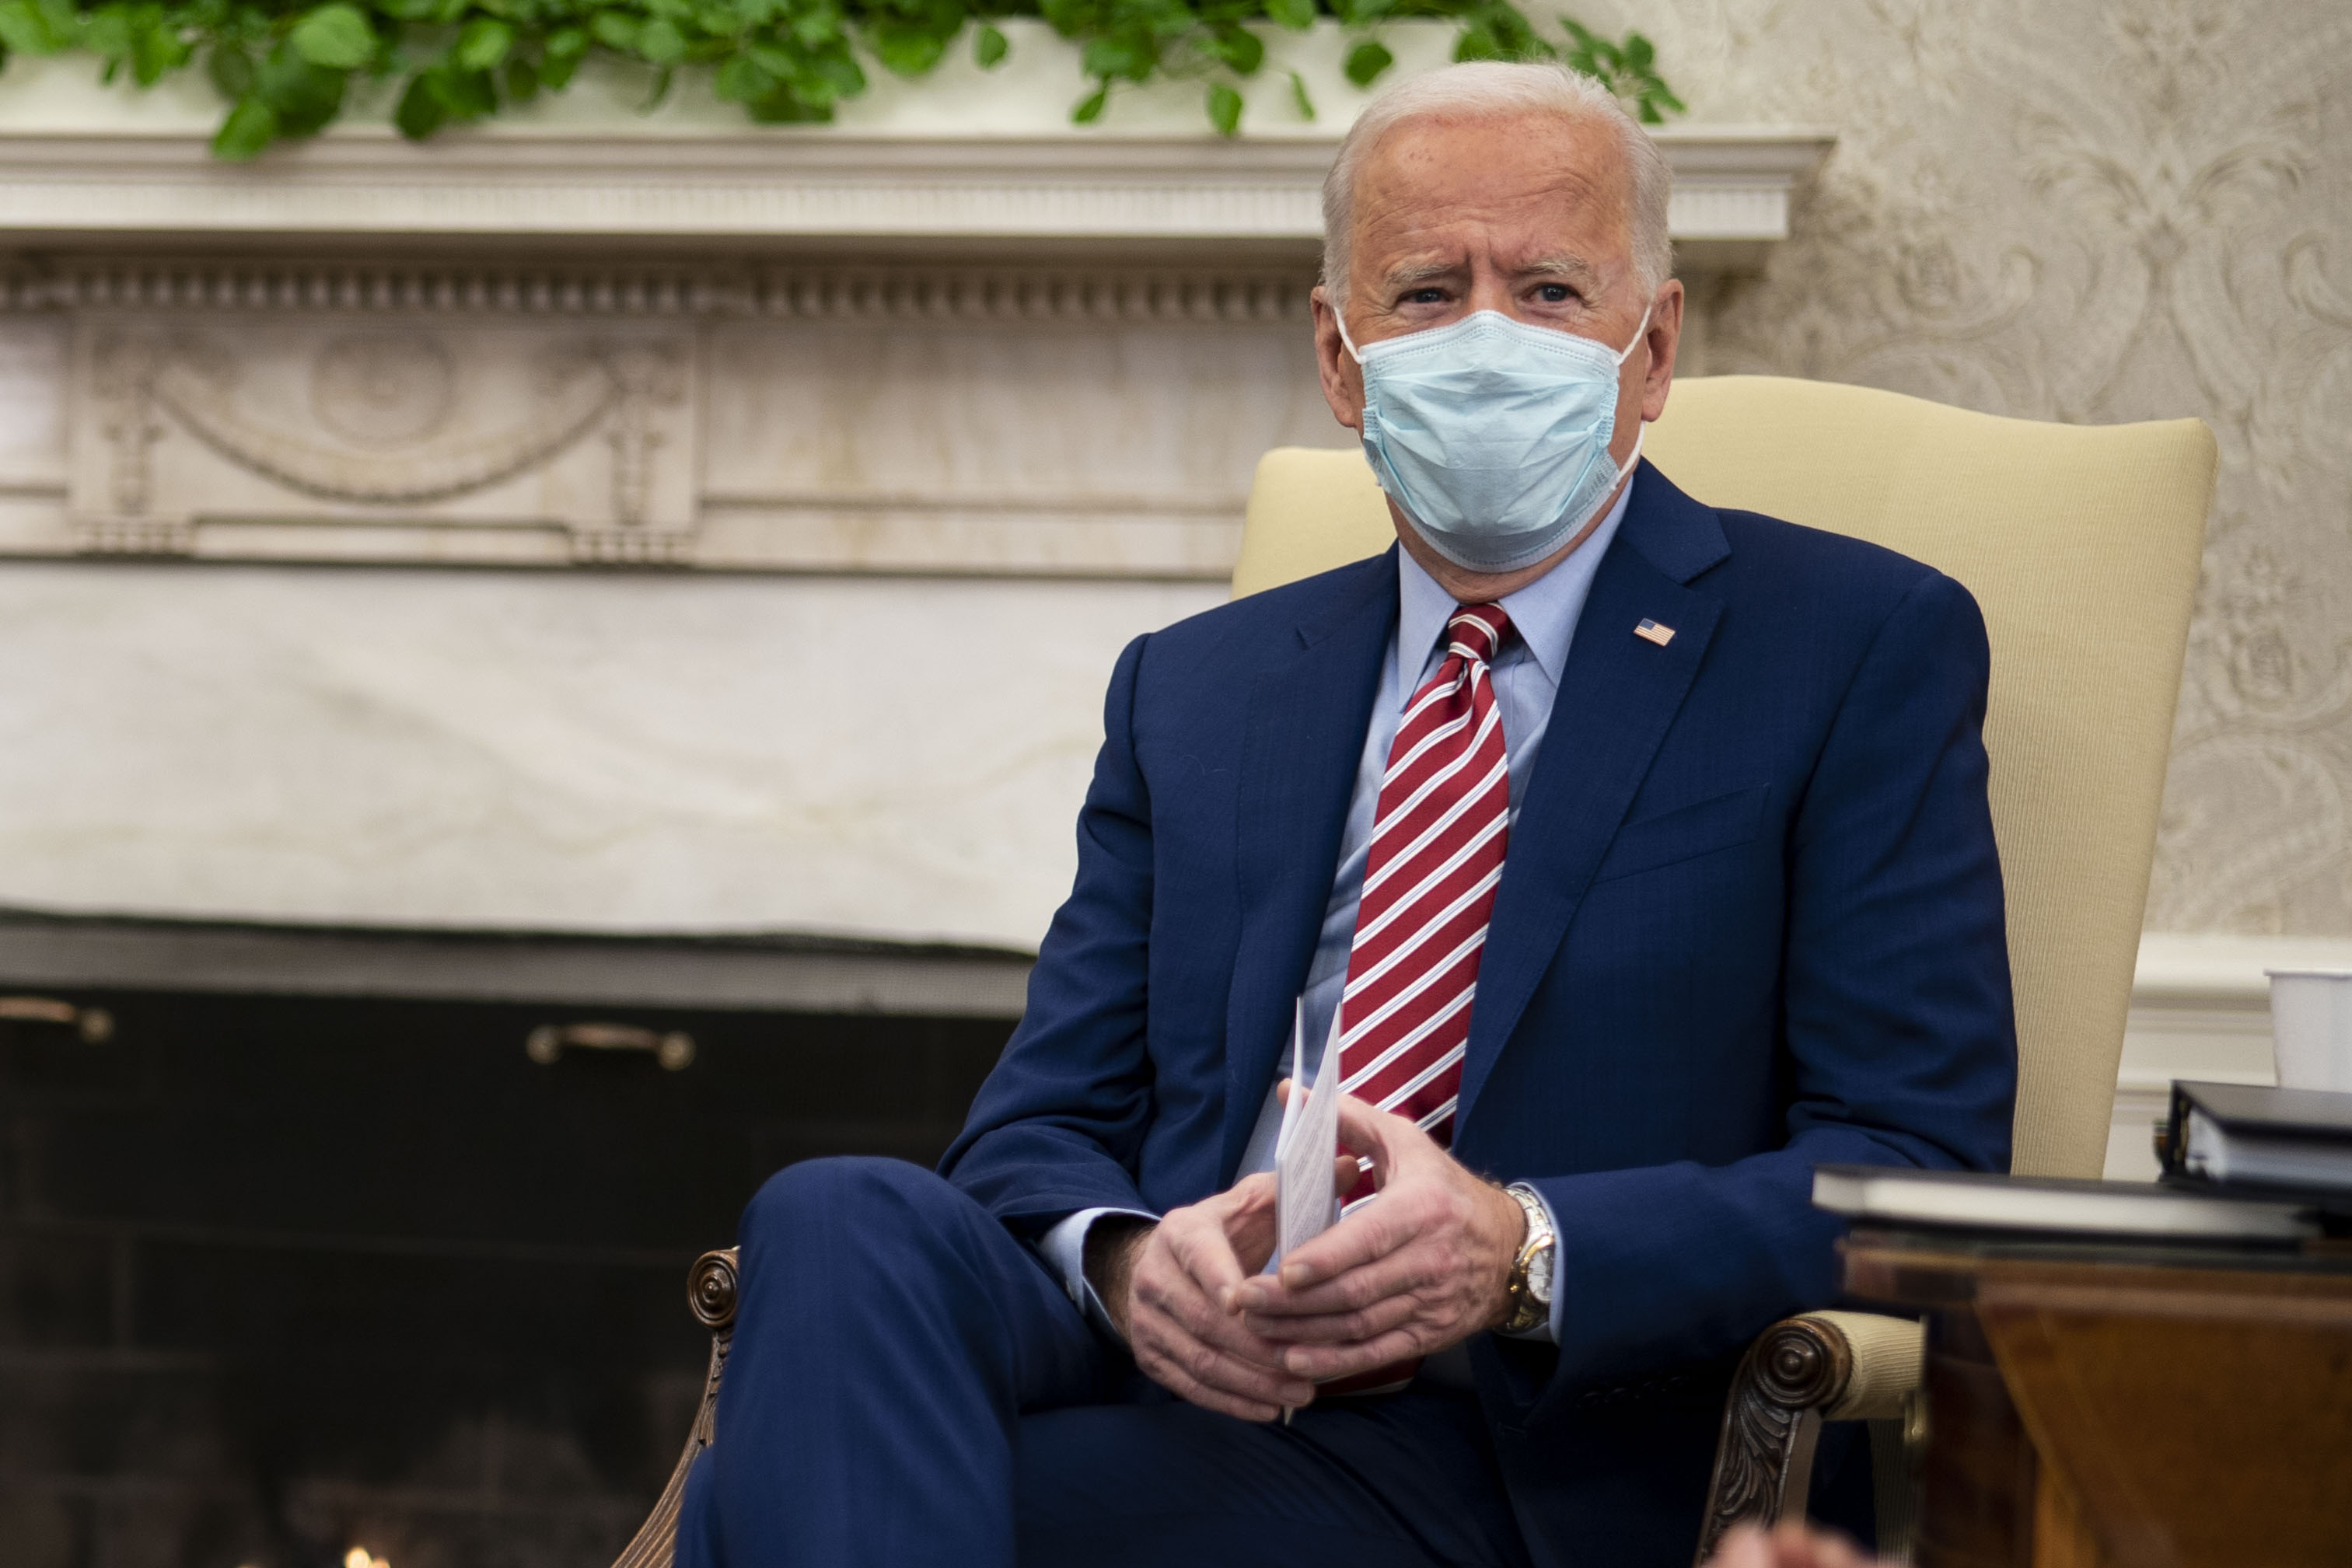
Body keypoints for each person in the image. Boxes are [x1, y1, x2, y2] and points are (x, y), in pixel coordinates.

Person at [676, 59, 2015, 1568]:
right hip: (1176, 1356)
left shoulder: (1850, 644)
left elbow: (1920, 1167)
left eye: (1553, 289)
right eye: (1428, 291)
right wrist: (1127, 1266)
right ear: (1339, 353)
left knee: (754, 1506)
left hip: (1510, 1432)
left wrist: (1522, 1250)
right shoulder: (1196, 682)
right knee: (838, 1212)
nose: (1488, 336)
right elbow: (1038, 1125)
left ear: (1653, 349)